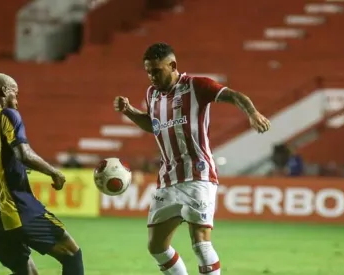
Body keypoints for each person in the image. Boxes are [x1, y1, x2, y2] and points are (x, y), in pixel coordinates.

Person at [113, 43, 271, 275]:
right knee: (156, 246)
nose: (151, 76)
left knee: (200, 243)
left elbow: (234, 95)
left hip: (198, 174)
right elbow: (154, 125)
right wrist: (129, 111)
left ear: (173, 65)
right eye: (148, 71)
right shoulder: (152, 94)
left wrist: (252, 112)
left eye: (156, 71)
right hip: (168, 178)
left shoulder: (196, 86)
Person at [0, 73, 84, 275]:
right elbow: (24, 154)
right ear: (4, 91)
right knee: (72, 254)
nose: (17, 101)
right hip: (16, 208)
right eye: (15, 94)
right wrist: (54, 173)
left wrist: (0, 173)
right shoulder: (6, 115)